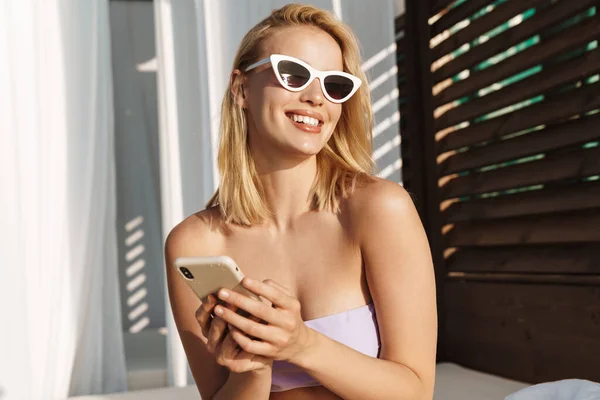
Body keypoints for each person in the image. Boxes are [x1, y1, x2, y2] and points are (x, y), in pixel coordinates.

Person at [165, 3, 437, 399]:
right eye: (294, 75)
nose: (316, 98)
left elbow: (415, 392)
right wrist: (252, 369)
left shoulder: (379, 209)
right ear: (241, 89)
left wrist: (302, 345)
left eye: (335, 85)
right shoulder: (195, 243)